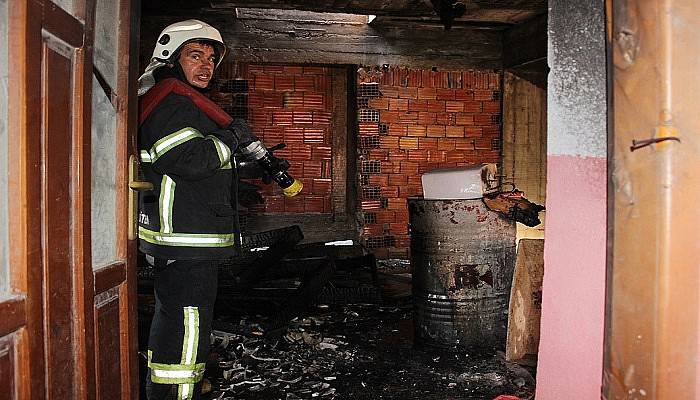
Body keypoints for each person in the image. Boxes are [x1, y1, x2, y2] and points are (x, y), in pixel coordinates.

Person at [137, 19, 259, 400]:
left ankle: (169, 389)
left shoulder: (180, 101)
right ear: (171, 59)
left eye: (210, 58)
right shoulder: (171, 103)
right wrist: (231, 136)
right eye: (195, 55)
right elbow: (191, 159)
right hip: (184, 239)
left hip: (187, 238)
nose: (205, 66)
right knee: (188, 326)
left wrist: (237, 183)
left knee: (178, 322)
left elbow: (191, 167)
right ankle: (176, 393)